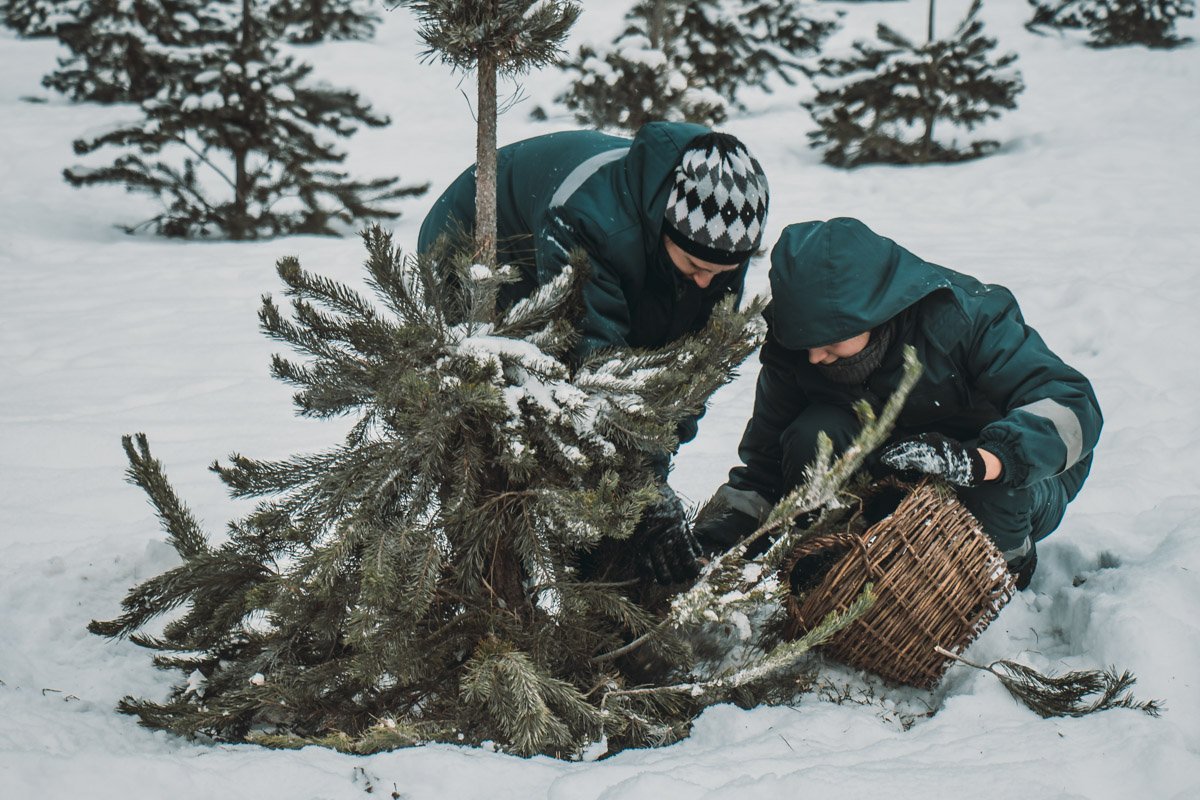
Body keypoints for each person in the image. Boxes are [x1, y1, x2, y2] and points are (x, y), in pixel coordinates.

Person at [418, 122, 770, 586]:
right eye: (696, 267)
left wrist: (654, 471)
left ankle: (611, 583)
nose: (709, 282)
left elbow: (688, 370)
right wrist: (642, 492)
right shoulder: (589, 221)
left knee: (629, 470)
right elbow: (590, 367)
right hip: (483, 246)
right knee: (521, 412)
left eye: (723, 272)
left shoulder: (719, 243)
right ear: (665, 226)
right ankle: (496, 578)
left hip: (624, 256)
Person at [693, 218, 1102, 589]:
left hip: (1023, 477)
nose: (814, 357)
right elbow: (765, 466)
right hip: (891, 476)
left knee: (987, 491)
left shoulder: (964, 318)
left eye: (830, 341)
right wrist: (713, 541)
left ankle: (1005, 565)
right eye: (805, 343)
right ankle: (841, 567)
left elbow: (1072, 405)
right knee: (812, 436)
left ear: (873, 312)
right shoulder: (796, 350)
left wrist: (981, 460)